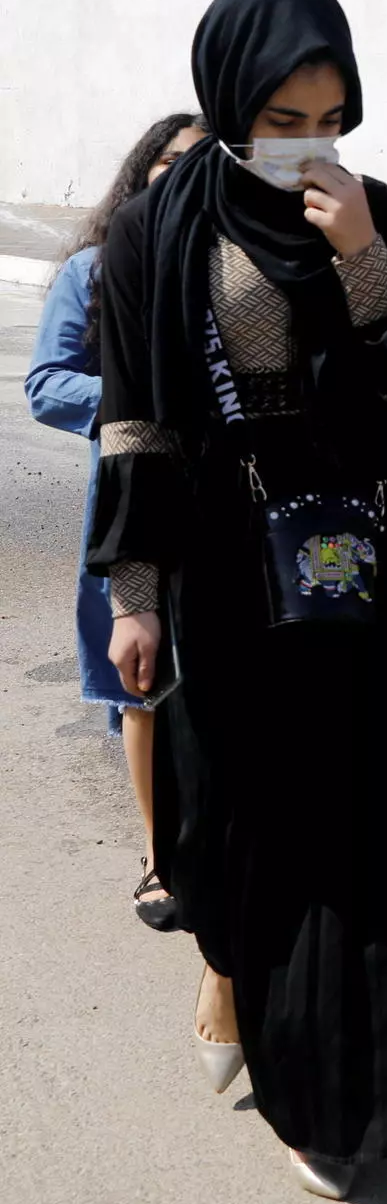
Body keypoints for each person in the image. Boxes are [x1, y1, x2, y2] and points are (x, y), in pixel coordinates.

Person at [89, 0, 387, 1201]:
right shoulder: (157, 230)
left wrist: (360, 257)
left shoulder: (375, 211)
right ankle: (293, 1061)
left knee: (380, 821)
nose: (307, 147)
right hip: (234, 575)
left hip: (363, 561)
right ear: (232, 101)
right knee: (271, 828)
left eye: (329, 120)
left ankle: (375, 1088)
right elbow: (134, 424)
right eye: (282, 123)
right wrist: (134, 594)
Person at [26, 111, 205, 931]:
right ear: (143, 171)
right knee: (143, 683)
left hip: (226, 497)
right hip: (133, 491)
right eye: (172, 161)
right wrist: (137, 399)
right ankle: (158, 856)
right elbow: (47, 385)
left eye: (204, 162)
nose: (187, 175)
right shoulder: (96, 271)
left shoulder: (234, 267)